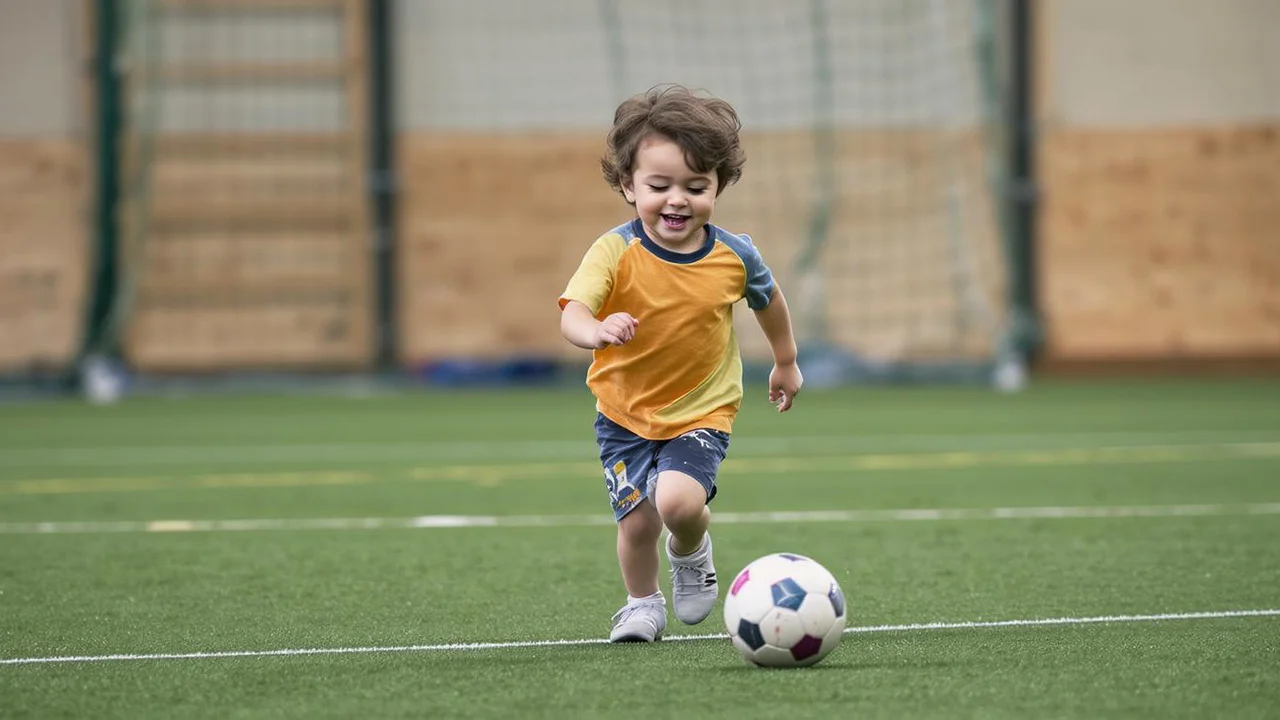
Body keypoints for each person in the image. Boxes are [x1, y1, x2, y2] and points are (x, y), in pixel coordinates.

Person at [558, 85, 803, 643]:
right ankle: (642, 605)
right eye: (659, 186)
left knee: (675, 502)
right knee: (637, 521)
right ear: (628, 186)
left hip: (702, 410)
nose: (677, 200)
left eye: (696, 187)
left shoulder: (733, 256)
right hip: (623, 414)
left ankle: (691, 551)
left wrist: (785, 362)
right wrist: (594, 331)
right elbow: (572, 312)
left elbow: (771, 302)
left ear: (718, 186)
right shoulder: (613, 252)